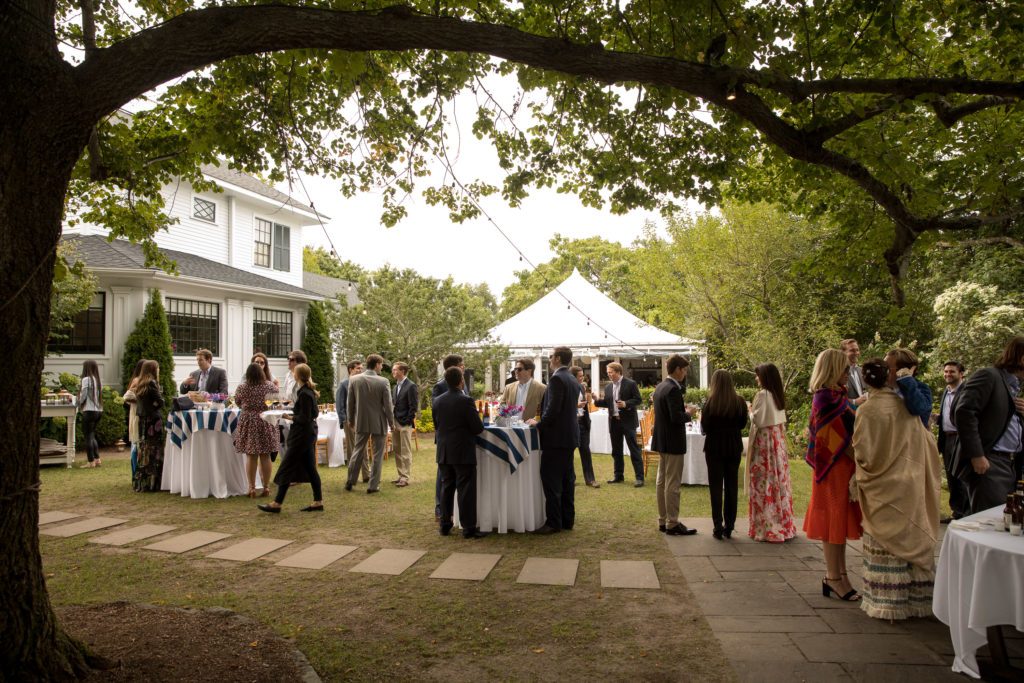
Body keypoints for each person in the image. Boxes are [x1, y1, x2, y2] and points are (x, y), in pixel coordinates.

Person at [852, 358, 941, 620]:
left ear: (866, 380)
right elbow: (923, 442)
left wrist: (861, 473)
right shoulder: (906, 407)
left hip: (882, 485)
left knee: (885, 543)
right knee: (910, 533)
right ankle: (917, 600)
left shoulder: (867, 410)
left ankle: (888, 604)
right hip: (908, 481)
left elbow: (864, 452)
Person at [803, 348, 862, 601]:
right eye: (845, 368)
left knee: (840, 521)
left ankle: (841, 574)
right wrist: (860, 459)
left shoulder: (838, 395)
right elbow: (835, 439)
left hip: (843, 466)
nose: (849, 372)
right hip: (833, 467)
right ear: (833, 369)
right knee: (833, 521)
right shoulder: (825, 397)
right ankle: (833, 577)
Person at [954, 337, 1024, 514]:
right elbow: (964, 412)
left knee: (1006, 519)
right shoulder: (989, 376)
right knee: (989, 520)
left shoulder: (1014, 386)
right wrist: (977, 454)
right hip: (990, 463)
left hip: (1011, 464)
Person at [258, 363, 324, 513]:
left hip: (302, 435)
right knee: (310, 468)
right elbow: (311, 414)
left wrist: (287, 416)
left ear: (297, 376)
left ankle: (277, 503)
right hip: (307, 434)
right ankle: (317, 501)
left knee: (287, 466)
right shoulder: (307, 392)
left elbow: (305, 418)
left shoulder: (305, 394)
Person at [529, 346, 579, 535]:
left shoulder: (557, 378)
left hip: (557, 438)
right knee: (567, 481)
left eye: (550, 356)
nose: (549, 359)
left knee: (552, 480)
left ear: (557, 358)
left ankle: (553, 522)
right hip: (568, 436)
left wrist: (539, 424)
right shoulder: (571, 378)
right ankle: (567, 519)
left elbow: (553, 408)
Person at [433, 366, 488, 538]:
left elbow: (437, 425)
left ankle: (444, 525)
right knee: (465, 490)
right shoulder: (466, 400)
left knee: (446, 488)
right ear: (461, 381)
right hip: (462, 450)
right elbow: (477, 427)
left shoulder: (437, 401)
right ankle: (468, 528)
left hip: (444, 450)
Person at [745, 363, 796, 543]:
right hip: (776, 440)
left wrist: (750, 411)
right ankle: (783, 524)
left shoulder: (763, 395)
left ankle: (767, 527)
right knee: (777, 480)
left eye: (758, 375)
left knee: (764, 480)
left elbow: (758, 420)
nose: (756, 378)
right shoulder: (777, 394)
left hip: (765, 443)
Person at [651, 354, 699, 535]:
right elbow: (675, 417)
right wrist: (689, 414)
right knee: (672, 483)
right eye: (684, 370)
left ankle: (663, 519)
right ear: (677, 369)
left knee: (661, 481)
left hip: (662, 440)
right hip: (672, 441)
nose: (685, 373)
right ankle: (672, 522)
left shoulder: (661, 386)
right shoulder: (673, 389)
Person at [700, 369, 749, 540]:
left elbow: (705, 427)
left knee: (715, 487)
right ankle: (729, 525)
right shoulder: (739, 402)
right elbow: (742, 424)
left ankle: (717, 525)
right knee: (731, 486)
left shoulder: (710, 402)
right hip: (733, 445)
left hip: (714, 446)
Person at [345, 353, 395, 494]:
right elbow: (388, 405)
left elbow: (350, 403)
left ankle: (350, 481)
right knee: (378, 454)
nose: (381, 368)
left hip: (361, 420)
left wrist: (351, 420)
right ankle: (373, 486)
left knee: (357, 451)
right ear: (377, 364)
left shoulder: (354, 379)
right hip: (379, 421)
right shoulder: (383, 381)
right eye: (381, 365)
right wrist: (391, 422)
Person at [233, 362, 280, 498]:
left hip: (249, 421)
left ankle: (252, 488)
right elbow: (276, 404)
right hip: (266, 420)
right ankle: (266, 487)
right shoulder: (270, 386)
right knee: (265, 455)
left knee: (251, 455)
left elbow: (238, 402)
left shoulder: (242, 387)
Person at [593, 362, 644, 486]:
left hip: (628, 422)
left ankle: (639, 478)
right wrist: (597, 400)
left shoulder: (630, 384)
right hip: (614, 422)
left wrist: (626, 404)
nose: (609, 375)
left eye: (611, 372)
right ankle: (618, 475)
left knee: (634, 450)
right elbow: (608, 403)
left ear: (618, 372)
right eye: (608, 373)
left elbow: (638, 400)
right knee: (616, 450)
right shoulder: (608, 387)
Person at [432, 354, 467, 520]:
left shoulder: (463, 383)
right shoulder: (439, 387)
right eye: (461, 364)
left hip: (460, 439)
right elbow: (437, 414)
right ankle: (440, 509)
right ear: (453, 367)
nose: (464, 367)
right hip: (446, 439)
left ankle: (455, 510)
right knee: (443, 476)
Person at [934, 361, 967, 521]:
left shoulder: (966, 391)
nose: (948, 374)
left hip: (961, 438)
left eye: (952, 372)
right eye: (946, 371)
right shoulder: (946, 392)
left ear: (961, 374)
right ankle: (956, 512)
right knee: (951, 475)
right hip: (946, 438)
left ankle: (966, 513)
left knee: (962, 476)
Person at [133, 360, 165, 492]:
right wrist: (157, 404)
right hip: (152, 420)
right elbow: (160, 402)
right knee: (154, 450)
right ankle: (153, 482)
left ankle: (142, 482)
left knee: (144, 449)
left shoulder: (141, 383)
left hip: (143, 420)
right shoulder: (152, 383)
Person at [336, 359, 369, 484]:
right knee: (353, 449)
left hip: (363, 421)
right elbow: (340, 404)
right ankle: (352, 476)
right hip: (350, 422)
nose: (360, 370)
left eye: (361, 368)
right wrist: (345, 420)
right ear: (350, 370)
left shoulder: (363, 383)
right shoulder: (344, 384)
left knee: (364, 448)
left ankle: (367, 475)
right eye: (358, 368)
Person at [885, 348, 933, 428]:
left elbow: (918, 409)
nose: (883, 372)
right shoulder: (885, 390)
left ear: (902, 370)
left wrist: (906, 379)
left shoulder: (921, 389)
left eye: (887, 369)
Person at [569, 365, 598, 488]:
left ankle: (590, 479)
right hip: (571, 423)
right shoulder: (567, 388)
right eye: (580, 376)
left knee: (585, 450)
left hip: (582, 423)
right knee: (569, 452)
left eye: (582, 376)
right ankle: (571, 479)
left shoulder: (581, 387)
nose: (583, 378)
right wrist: (575, 405)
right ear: (573, 377)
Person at [391, 361, 419, 487]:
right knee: (397, 449)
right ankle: (400, 474)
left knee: (405, 451)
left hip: (405, 423)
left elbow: (413, 406)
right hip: (395, 422)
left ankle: (405, 478)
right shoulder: (395, 387)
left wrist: (408, 421)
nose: (393, 372)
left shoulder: (411, 386)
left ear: (402, 371)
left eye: (395, 370)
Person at [77, 360, 103, 468]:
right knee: (92, 435)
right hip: (98, 410)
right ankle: (97, 459)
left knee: (88, 436)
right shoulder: (97, 380)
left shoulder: (86, 379)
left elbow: (83, 395)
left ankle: (90, 461)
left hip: (89, 410)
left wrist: (77, 401)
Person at [122, 358, 146, 477]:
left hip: (137, 413)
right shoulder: (137, 380)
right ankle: (135, 472)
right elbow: (127, 396)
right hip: (137, 413)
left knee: (137, 443)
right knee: (136, 443)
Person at [840, 339, 868, 407]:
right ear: (843, 353)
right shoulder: (839, 373)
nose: (856, 353)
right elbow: (835, 399)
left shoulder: (862, 371)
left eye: (857, 350)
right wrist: (854, 402)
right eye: (852, 350)